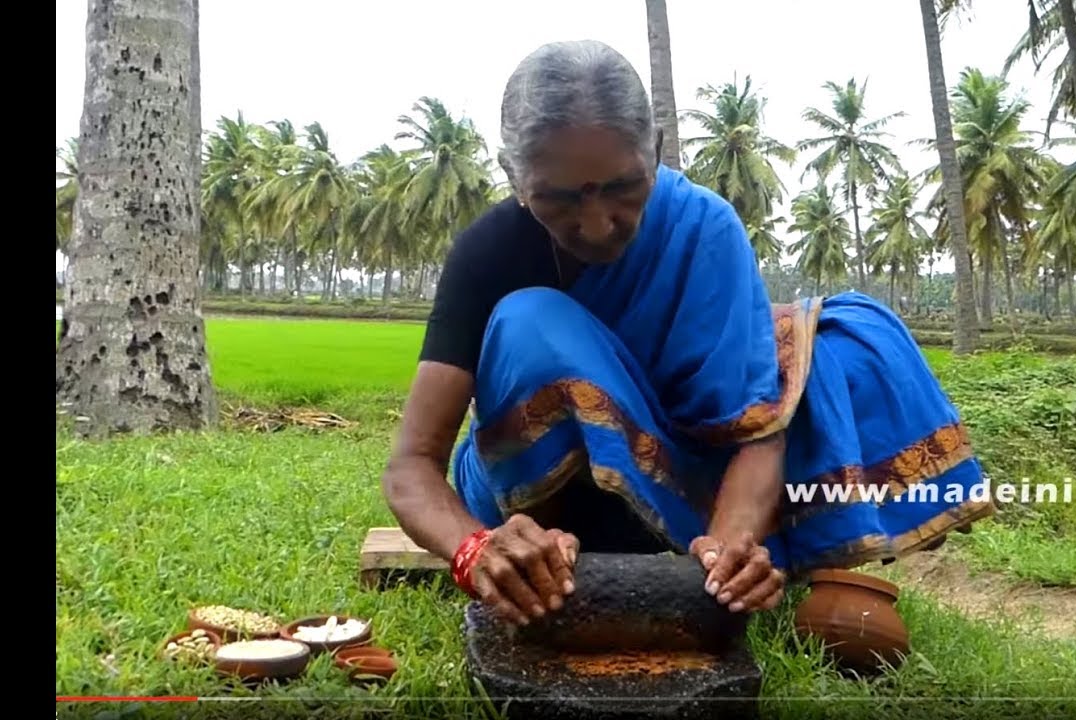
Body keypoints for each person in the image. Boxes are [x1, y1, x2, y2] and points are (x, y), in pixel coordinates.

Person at [382, 39, 995, 628]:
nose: (597, 225)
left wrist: (726, 552)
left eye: (623, 187)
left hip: (679, 485)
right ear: (513, 176)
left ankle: (742, 554)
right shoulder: (489, 254)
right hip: (522, 497)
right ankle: (548, 566)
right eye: (559, 198)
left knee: (843, 348)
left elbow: (759, 427)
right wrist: (475, 550)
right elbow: (412, 466)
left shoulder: (704, 229)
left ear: (656, 148)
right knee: (530, 323)